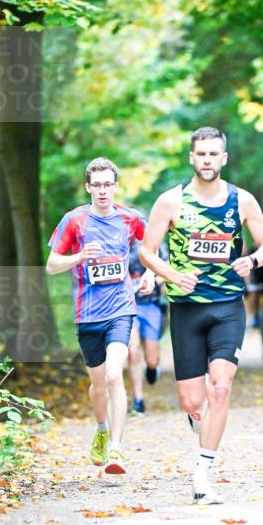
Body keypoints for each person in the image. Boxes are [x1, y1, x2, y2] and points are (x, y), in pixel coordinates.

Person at [140, 126, 263, 504]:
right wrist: (172, 276)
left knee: (221, 387)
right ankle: (195, 418)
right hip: (186, 309)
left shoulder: (242, 201)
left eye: (213, 154)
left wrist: (251, 259)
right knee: (190, 400)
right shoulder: (170, 202)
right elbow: (147, 252)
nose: (207, 161)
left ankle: (203, 473)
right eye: (201, 154)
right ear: (191, 158)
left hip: (228, 307)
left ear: (224, 158)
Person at [46, 157, 152, 475]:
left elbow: (152, 246)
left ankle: (116, 450)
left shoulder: (131, 219)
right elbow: (51, 266)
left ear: (116, 186)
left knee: (113, 376)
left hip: (121, 309)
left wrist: (149, 273)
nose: (103, 191)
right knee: (98, 386)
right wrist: (79, 256)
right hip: (87, 315)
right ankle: (102, 429)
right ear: (88, 187)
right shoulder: (74, 221)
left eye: (108, 185)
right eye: (97, 185)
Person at [127, 239, 168, 415]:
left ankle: (152, 368)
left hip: (151, 305)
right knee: (133, 351)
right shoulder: (118, 244)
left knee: (151, 359)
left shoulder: (156, 245)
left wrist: (152, 281)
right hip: (128, 306)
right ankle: (138, 400)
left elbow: (167, 271)